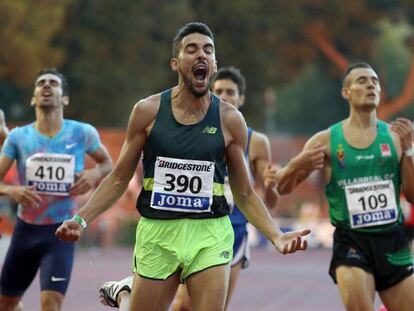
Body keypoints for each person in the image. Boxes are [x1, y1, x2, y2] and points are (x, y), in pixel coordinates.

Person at [56, 22, 312, 311]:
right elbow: (118, 179)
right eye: (192, 49)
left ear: (214, 65)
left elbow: (245, 193)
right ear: (176, 63)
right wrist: (80, 220)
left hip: (210, 232)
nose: (201, 55)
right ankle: (126, 294)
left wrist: (276, 235)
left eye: (208, 50)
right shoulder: (148, 112)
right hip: (158, 231)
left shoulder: (230, 120)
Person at [276, 61, 414, 311]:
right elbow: (283, 188)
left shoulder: (395, 138)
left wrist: (410, 151)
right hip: (352, 242)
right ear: (346, 92)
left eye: (375, 81)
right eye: (362, 80)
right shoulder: (326, 140)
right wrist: (297, 164)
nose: (370, 84)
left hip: (393, 240)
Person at [0, 68, 113, 311]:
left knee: (50, 305)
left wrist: (94, 173)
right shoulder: (18, 137)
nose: (47, 86)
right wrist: (12, 191)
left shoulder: (82, 132)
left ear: (64, 98)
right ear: (34, 97)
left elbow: (108, 164)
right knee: (5, 305)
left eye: (53, 83)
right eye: (41, 83)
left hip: (60, 232)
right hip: (25, 231)